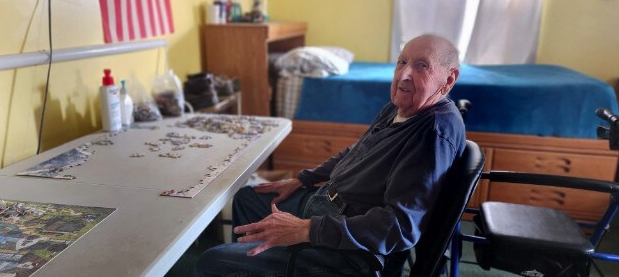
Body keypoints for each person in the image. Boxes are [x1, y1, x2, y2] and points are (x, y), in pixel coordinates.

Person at [196, 34, 465, 276]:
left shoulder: (430, 134)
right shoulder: (399, 107)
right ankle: (262, 260)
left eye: (422, 66)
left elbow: (399, 227)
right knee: (247, 198)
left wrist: (305, 230)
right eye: (401, 61)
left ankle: (257, 262)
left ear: (448, 79)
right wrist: (303, 179)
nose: (403, 74)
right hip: (327, 205)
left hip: (352, 253)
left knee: (213, 261)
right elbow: (357, 152)